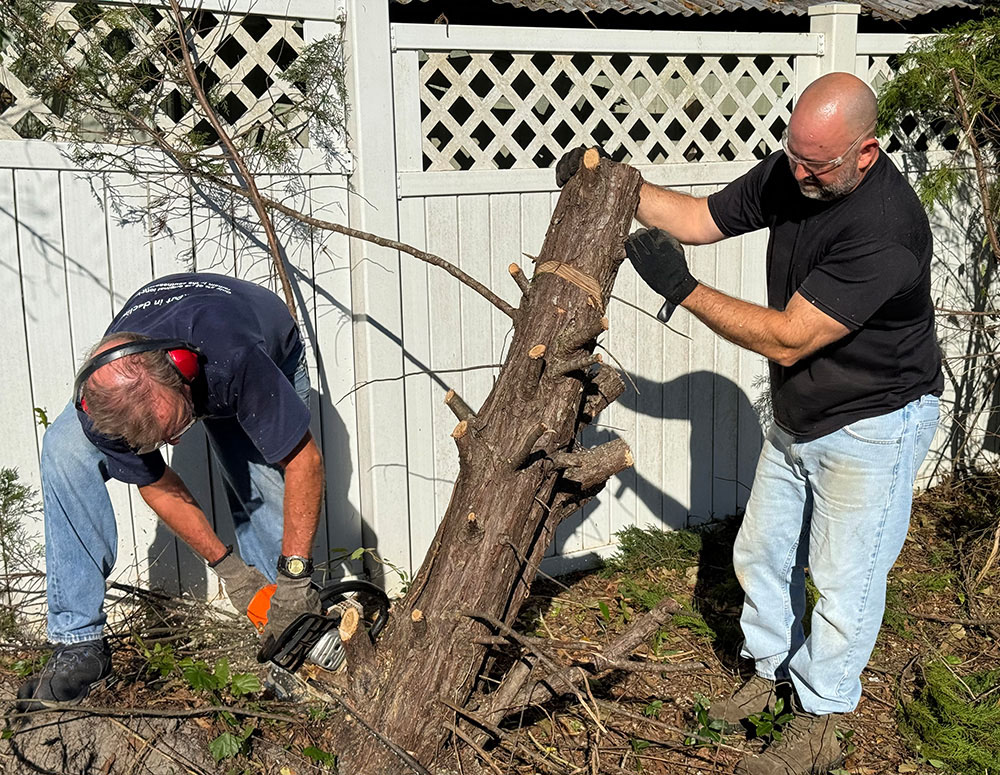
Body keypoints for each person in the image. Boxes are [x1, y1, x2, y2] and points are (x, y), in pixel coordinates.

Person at [558, 71, 942, 774]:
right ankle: (770, 670)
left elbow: (791, 336)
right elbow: (702, 219)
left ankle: (823, 715)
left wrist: (685, 291)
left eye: (816, 164)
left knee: (843, 577)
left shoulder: (885, 229)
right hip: (803, 409)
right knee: (760, 551)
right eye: (792, 154)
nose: (797, 173)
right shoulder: (796, 169)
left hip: (873, 422)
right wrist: (618, 184)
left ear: (866, 152)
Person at [17, 273, 325, 711]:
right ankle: (78, 643)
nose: (177, 444)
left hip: (259, 341)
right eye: (163, 440)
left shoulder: (235, 358)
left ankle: (292, 634)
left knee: (264, 497)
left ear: (182, 371)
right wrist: (229, 570)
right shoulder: (100, 406)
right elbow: (156, 484)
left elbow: (304, 462)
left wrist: (295, 575)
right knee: (63, 450)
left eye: (176, 426)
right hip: (173, 376)